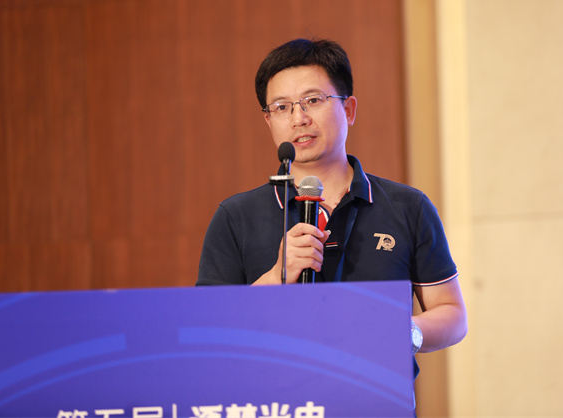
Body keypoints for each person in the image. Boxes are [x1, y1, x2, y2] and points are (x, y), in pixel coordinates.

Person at [196, 38, 467, 357]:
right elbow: (208, 326)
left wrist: (403, 332)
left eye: (313, 100)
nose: (299, 119)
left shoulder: (408, 207)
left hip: (374, 385)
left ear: (348, 109)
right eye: (282, 107)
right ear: (268, 120)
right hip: (273, 388)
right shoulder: (236, 217)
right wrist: (276, 277)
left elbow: (452, 313)